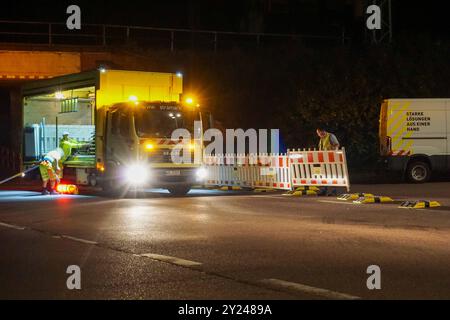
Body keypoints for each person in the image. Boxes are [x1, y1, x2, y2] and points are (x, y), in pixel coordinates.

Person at [316, 128, 340, 196]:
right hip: (324, 160)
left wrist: (334, 153)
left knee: (333, 175)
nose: (318, 135)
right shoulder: (322, 139)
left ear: (323, 131)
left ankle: (334, 191)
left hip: (331, 159)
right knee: (324, 175)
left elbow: (337, 145)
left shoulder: (330, 136)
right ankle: (324, 190)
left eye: (319, 133)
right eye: (318, 133)